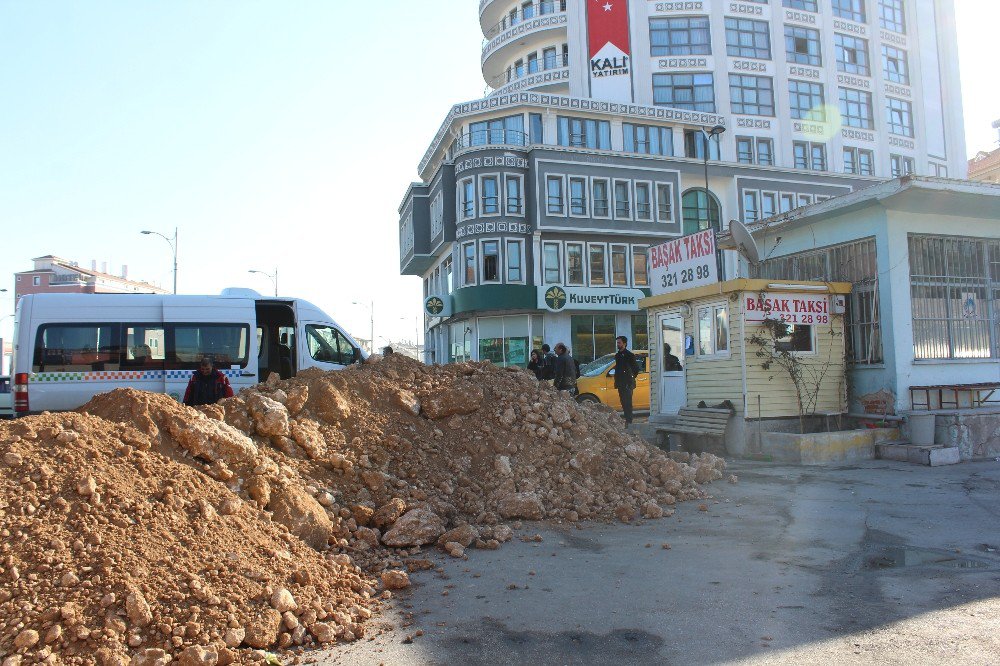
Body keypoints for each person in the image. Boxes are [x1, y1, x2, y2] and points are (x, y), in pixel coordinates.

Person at [614, 336, 642, 427]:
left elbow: (636, 369)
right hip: (620, 383)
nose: (618, 344)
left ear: (624, 344)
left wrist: (630, 378)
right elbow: (618, 369)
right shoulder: (617, 355)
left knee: (628, 403)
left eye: (619, 343)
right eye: (617, 342)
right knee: (623, 402)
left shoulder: (629, 355)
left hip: (627, 383)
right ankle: (627, 419)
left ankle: (629, 421)